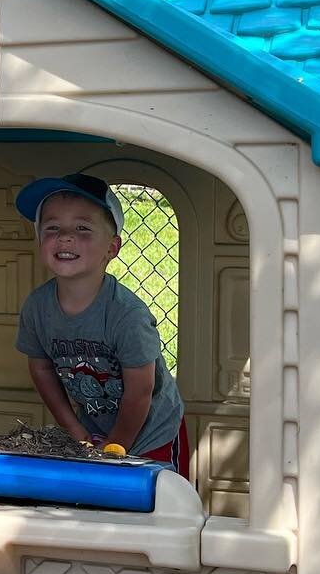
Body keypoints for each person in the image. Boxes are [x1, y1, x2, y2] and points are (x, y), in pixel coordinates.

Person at [13, 173, 189, 474]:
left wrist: (115, 448)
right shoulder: (37, 308)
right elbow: (41, 368)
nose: (65, 236)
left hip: (152, 432)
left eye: (82, 228)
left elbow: (140, 391)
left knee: (157, 504)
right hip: (93, 425)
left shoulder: (126, 315)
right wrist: (75, 431)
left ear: (112, 247)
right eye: (52, 227)